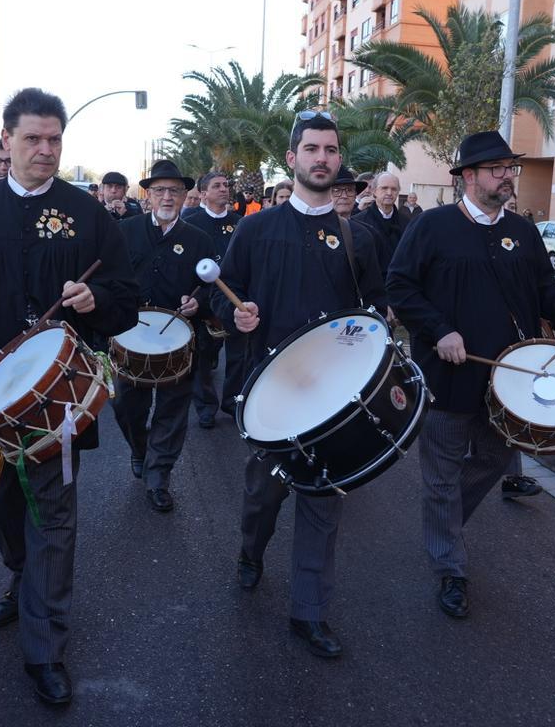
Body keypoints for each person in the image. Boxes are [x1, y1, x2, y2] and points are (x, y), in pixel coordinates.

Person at [0, 87, 139, 705]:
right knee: (0, 507)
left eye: (55, 139)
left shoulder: (88, 217)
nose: (45, 149)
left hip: (58, 404)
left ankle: (45, 646)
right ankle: (23, 578)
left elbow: (125, 298)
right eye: (33, 138)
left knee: (55, 518)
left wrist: (99, 302)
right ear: (6, 141)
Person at [387, 130, 555, 621]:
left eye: (511, 168)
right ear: (468, 176)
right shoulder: (432, 227)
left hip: (511, 380)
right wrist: (439, 330)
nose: (508, 176)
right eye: (497, 169)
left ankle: (439, 524)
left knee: (493, 458)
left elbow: (546, 290)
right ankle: (450, 569)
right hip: (447, 378)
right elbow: (400, 287)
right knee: (441, 475)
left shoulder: (525, 232)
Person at [215, 112, 385, 659]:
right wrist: (234, 315)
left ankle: (309, 612)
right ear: (292, 159)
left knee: (322, 499)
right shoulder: (256, 228)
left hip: (332, 399)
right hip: (269, 393)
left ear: (339, 160)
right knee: (264, 495)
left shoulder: (356, 238)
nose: (322, 158)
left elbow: (374, 312)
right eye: (311, 149)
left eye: (331, 150)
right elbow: (226, 292)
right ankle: (250, 551)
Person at [113, 160, 215, 512]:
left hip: (179, 340)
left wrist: (197, 302)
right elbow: (110, 281)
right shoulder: (125, 231)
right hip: (130, 338)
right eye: (160, 190)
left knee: (172, 413)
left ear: (186, 195)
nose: (167, 196)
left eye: (174, 190)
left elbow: (210, 287)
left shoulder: (199, 239)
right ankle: (139, 449)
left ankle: (158, 477)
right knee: (126, 407)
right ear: (149, 195)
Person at [184, 171, 243, 428]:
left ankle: (233, 401)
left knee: (238, 357)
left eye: (226, 184)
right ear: (203, 193)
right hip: (203, 302)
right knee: (202, 359)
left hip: (235, 300)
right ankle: (206, 406)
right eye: (217, 186)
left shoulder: (240, 223)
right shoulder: (191, 223)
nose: (224, 189)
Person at [354, 171, 411, 269]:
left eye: (394, 189)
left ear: (398, 192)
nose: (389, 193)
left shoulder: (407, 223)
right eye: (384, 188)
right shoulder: (359, 222)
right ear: (374, 191)